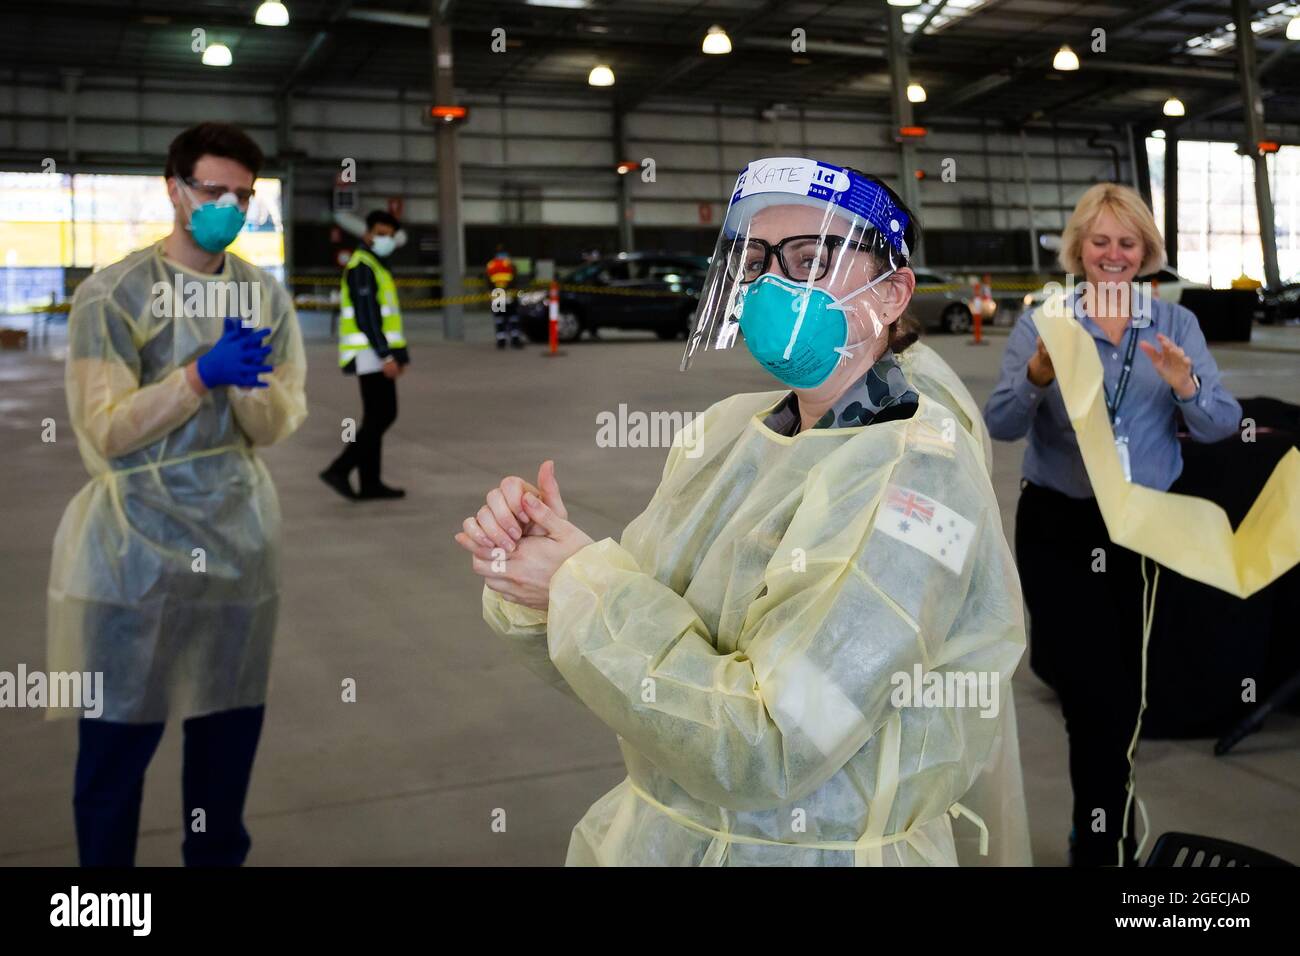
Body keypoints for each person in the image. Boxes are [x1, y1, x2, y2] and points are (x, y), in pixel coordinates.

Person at [456, 158, 1031, 866]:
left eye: (811, 257)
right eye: (757, 262)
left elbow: (769, 744)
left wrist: (579, 583)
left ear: (892, 294)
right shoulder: (729, 438)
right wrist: (543, 577)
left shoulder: (918, 481)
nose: (774, 285)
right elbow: (640, 677)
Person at [47, 122, 307, 866]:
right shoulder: (112, 295)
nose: (228, 206)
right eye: (212, 189)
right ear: (174, 188)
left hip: (236, 545)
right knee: (114, 754)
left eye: (242, 196)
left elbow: (280, 419)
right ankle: (106, 903)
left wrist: (249, 385)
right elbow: (104, 432)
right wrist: (198, 377)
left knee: (223, 753)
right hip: (133, 551)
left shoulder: (263, 296)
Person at [983, 182, 1242, 867]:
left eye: (1128, 243)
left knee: (1119, 693)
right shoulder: (1046, 321)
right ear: (1079, 249)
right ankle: (1102, 826)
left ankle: (1099, 837)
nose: (1114, 254)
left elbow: (1222, 425)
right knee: (1081, 684)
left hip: (1140, 529)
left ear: (1147, 252)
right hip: (1058, 524)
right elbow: (1001, 424)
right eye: (1100, 241)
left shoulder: (1175, 326)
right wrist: (1037, 376)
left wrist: (1187, 386)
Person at [320, 210, 410, 500]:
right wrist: (386, 356)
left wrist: (400, 354)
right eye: (380, 233)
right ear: (367, 234)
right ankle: (340, 469)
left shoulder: (377, 265)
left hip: (376, 352)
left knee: (377, 416)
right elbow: (367, 317)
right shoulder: (363, 266)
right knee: (383, 415)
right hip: (368, 353)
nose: (385, 239)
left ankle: (370, 482)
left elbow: (388, 317)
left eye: (390, 235)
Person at [486, 245, 522, 349]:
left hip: (496, 295)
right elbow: (515, 280)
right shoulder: (510, 264)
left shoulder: (490, 265)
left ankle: (501, 341)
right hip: (509, 295)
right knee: (513, 317)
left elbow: (488, 281)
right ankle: (515, 340)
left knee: (499, 318)